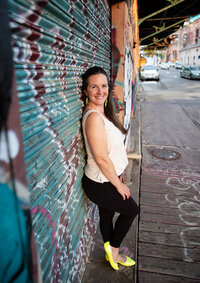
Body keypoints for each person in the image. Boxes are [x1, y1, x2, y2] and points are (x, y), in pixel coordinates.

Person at [81, 66, 139, 271]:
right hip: (101, 181)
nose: (100, 91)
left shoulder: (101, 112)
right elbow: (101, 158)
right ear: (86, 90)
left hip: (107, 178)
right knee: (132, 210)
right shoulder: (94, 118)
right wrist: (119, 185)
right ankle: (114, 251)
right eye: (94, 86)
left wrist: (118, 175)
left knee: (106, 215)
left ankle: (109, 253)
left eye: (104, 86)